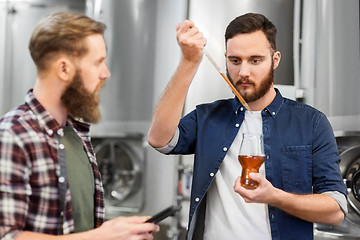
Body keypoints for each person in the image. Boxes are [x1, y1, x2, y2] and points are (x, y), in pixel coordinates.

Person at [147, 13, 347, 239]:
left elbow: (336, 210)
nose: (243, 72)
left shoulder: (312, 123)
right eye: (234, 61)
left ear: (275, 59)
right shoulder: (208, 116)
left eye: (255, 60)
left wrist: (274, 196)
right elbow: (159, 140)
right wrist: (189, 61)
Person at [0, 12, 159, 240]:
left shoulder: (76, 132)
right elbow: (8, 236)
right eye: (98, 62)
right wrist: (101, 237)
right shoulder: (12, 136)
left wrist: (119, 233)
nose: (106, 73)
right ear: (64, 69)